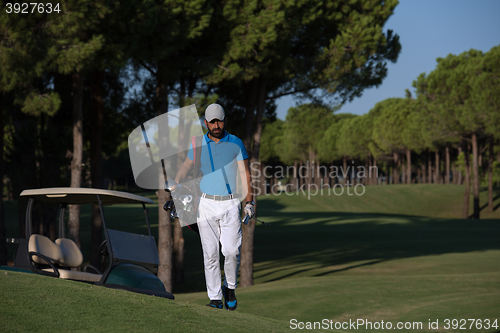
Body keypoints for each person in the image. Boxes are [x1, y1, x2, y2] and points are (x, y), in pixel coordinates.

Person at [173, 103, 254, 311]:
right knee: (209, 253)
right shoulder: (198, 144)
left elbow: (245, 174)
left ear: (225, 120)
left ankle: (230, 287)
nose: (216, 125)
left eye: (220, 120)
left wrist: (250, 202)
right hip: (206, 203)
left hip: (230, 202)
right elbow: (185, 166)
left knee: (230, 251)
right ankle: (215, 299)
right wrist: (175, 185)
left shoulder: (236, 143)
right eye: (212, 121)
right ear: (206, 123)